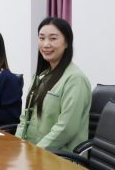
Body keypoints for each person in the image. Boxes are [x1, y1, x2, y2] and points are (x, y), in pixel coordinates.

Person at [16, 18, 91, 151]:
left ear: (66, 42)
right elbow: (25, 117)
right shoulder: (41, 75)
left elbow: (66, 128)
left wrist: (36, 152)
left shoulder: (75, 79)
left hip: (59, 157)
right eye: (41, 38)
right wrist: (17, 146)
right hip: (32, 152)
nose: (46, 44)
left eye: (53, 38)